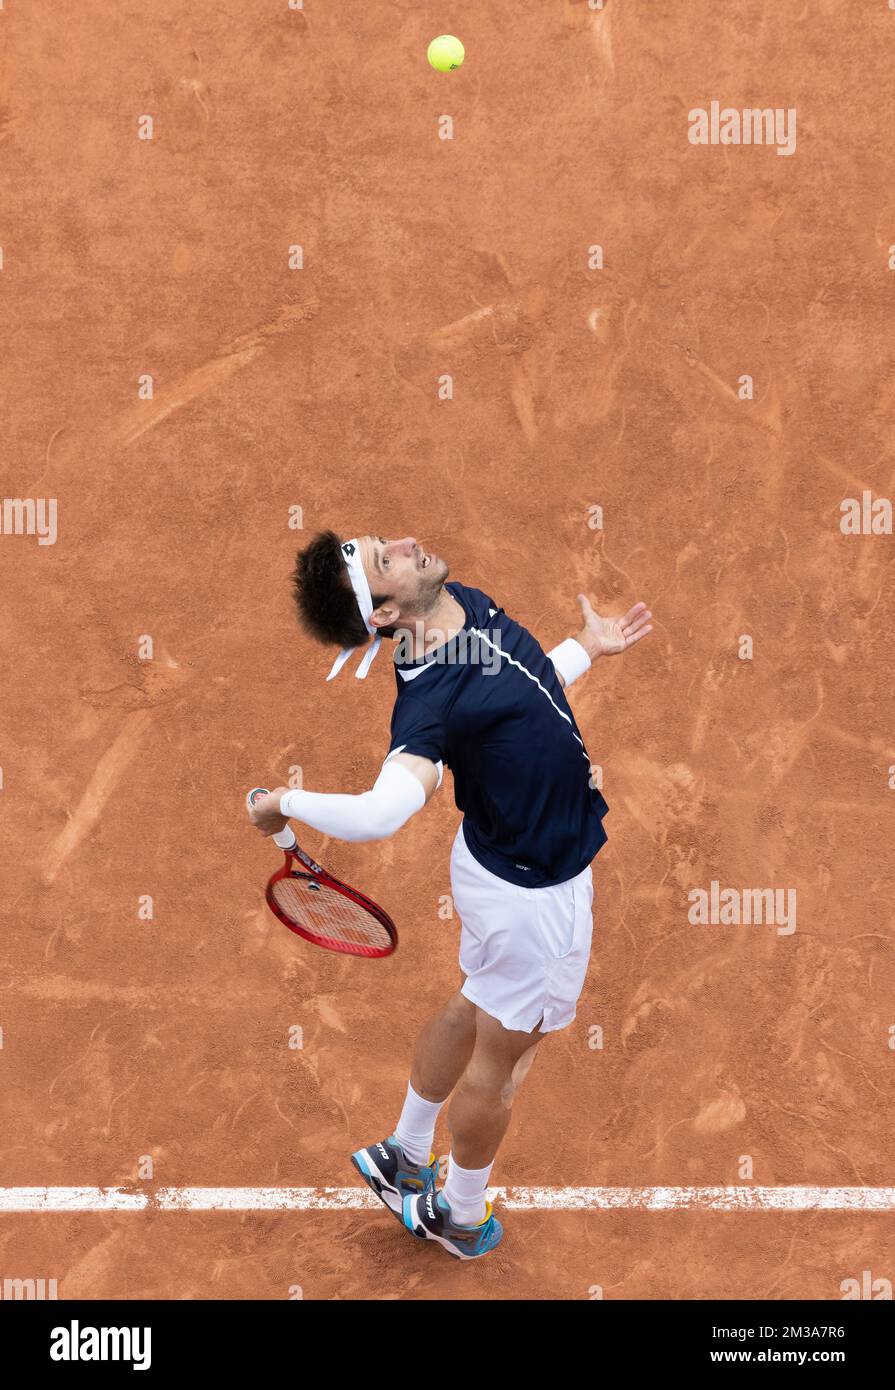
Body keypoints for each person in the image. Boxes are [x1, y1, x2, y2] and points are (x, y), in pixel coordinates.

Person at [249, 532, 652, 1260]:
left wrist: (584, 651)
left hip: (496, 860)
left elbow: (518, 684)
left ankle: (405, 1152)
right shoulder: (427, 705)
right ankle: (460, 1218)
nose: (405, 545)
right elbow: (381, 812)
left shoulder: (456, 609)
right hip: (534, 895)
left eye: (384, 543)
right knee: (504, 1063)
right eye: (385, 561)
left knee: (475, 1000)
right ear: (381, 615)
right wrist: (285, 799)